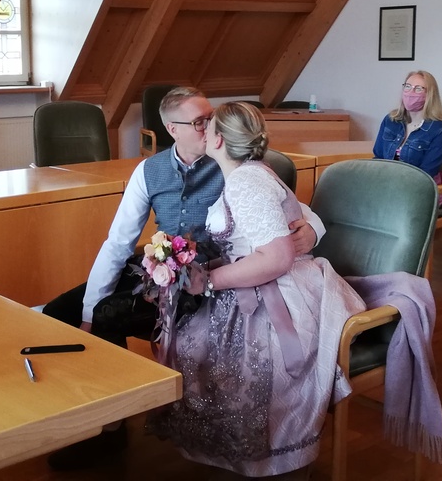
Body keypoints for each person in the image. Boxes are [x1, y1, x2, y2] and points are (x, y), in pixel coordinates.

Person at [42, 87, 325, 470]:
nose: (210, 127)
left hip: (211, 277)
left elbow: (286, 204)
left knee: (111, 314)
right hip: (163, 267)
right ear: (172, 129)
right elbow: (118, 243)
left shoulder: (229, 161)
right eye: (199, 122)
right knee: (61, 313)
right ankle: (96, 410)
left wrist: (312, 230)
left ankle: (110, 429)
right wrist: (88, 311)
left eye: (210, 118)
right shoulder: (149, 170)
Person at [147, 102, 366, 479]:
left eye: (207, 125)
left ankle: (262, 454)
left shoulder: (246, 182)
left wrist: (209, 281)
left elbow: (277, 258)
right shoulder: (250, 173)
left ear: (218, 139)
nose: (202, 130)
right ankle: (236, 450)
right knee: (193, 343)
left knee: (227, 357)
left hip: (279, 291)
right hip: (259, 281)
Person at [373, 70, 442, 200]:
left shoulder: (439, 130)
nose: (410, 93)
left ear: (429, 95)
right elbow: (378, 157)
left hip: (420, 189)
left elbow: (426, 174)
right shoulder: (391, 120)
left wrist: (391, 187)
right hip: (388, 184)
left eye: (418, 89)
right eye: (407, 86)